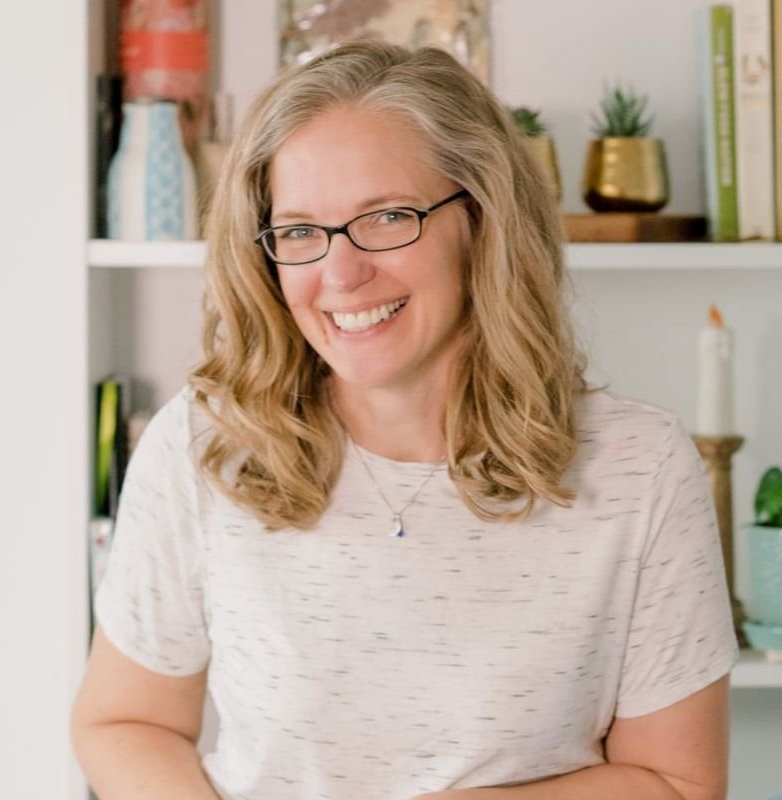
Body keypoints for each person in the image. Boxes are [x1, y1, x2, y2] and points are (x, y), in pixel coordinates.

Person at [72, 40, 737, 800]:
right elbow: (125, 723)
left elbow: (676, 784)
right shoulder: (206, 444)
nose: (340, 273)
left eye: (387, 217)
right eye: (298, 232)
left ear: (483, 219)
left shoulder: (636, 465)